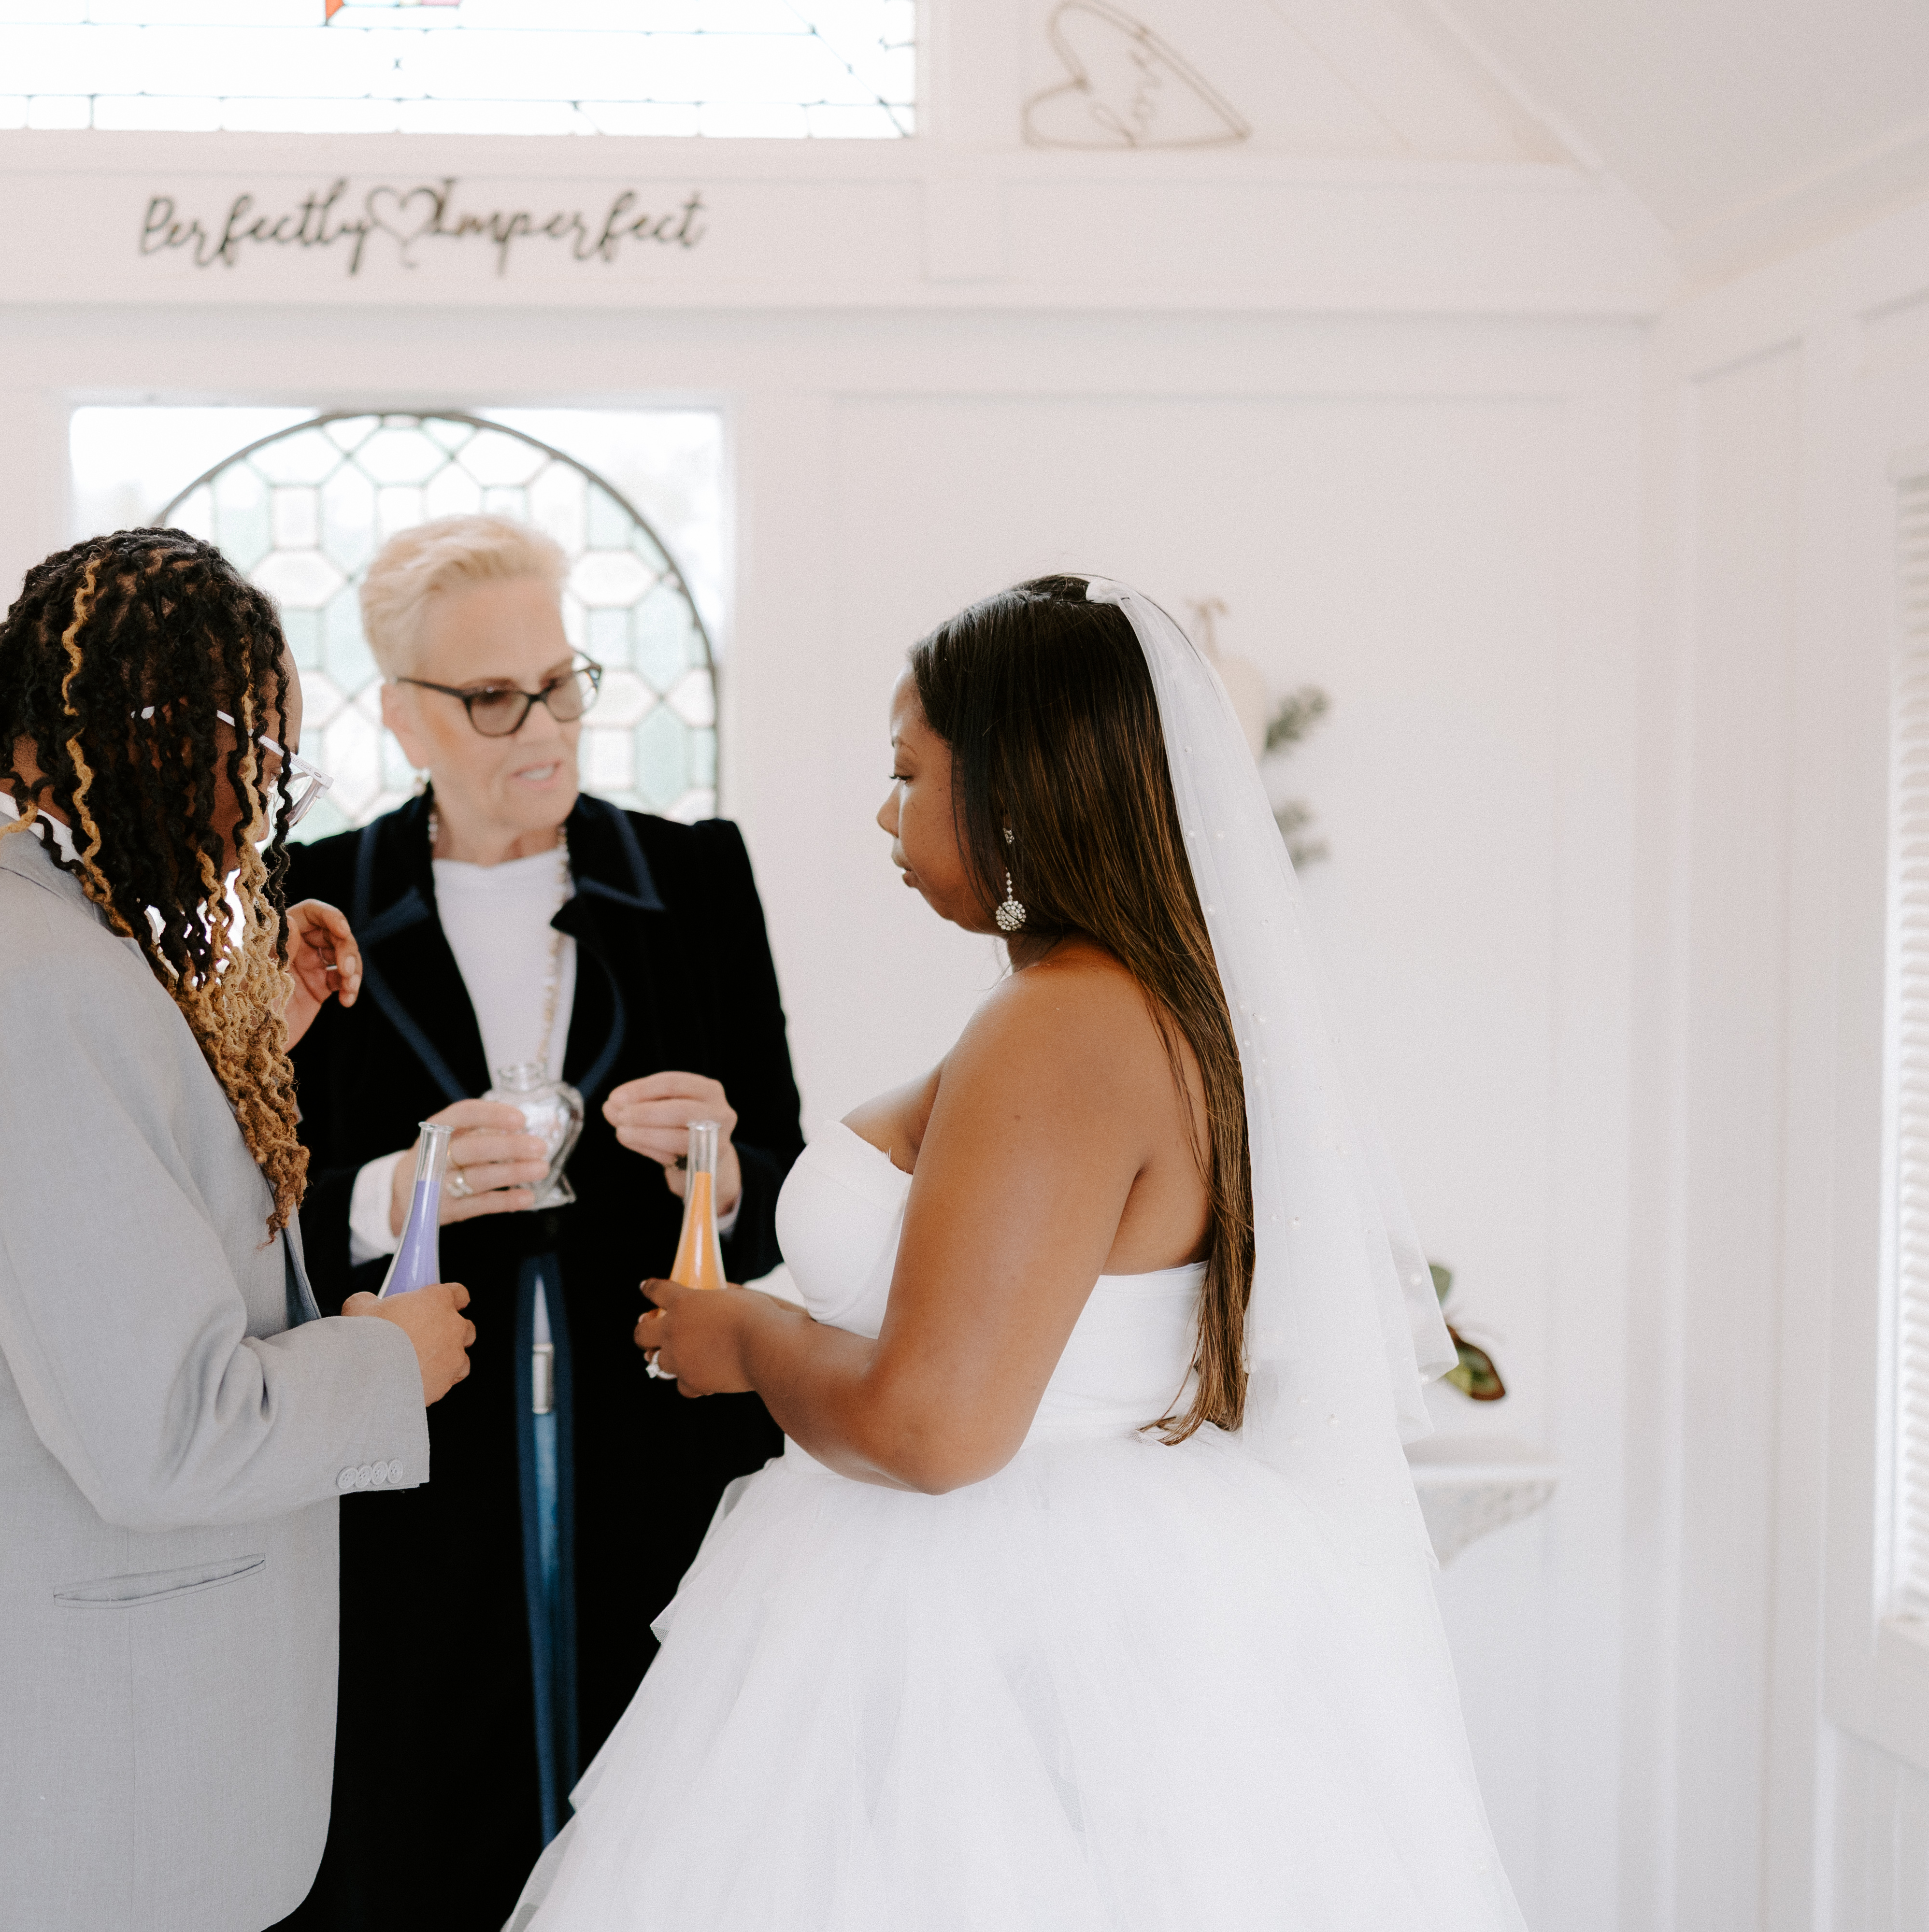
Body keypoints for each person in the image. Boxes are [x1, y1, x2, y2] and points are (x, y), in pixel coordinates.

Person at [510, 575, 1525, 1929]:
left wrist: (743, 1341)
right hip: (1061, 1594)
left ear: (1016, 785)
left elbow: (936, 1426)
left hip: (992, 1619)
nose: (885, 809)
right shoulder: (1122, 1002)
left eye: (908, 771)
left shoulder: (1066, 1025)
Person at [0, 529, 477, 1932]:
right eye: (259, 755)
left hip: (18, 1753)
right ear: (162, 736)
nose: (261, 805)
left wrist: (248, 1038)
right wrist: (390, 1359)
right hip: (73, 1800)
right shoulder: (36, 991)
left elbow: (82, 1240)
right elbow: (169, 1430)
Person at [276, 514, 803, 1930]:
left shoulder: (693, 880)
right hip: (412, 1500)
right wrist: (398, 1191)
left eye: (563, 683)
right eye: (495, 696)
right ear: (403, 716)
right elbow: (253, 1215)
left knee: (672, 1842)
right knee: (422, 1854)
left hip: (662, 1465)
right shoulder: (309, 902)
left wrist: (727, 1165)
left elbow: (783, 1169)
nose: (545, 726)